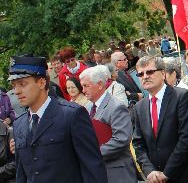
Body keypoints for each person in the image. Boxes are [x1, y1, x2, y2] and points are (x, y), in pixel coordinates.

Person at [10, 54, 107, 182]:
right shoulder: (19, 124)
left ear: (41, 82)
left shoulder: (72, 115)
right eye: (13, 85)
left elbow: (93, 168)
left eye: (22, 84)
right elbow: (21, 175)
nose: (16, 91)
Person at [132, 55, 188, 183]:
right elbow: (138, 143)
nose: (145, 76)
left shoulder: (183, 96)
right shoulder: (140, 107)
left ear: (162, 73)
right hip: (156, 178)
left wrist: (167, 173)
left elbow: (187, 138)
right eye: (140, 74)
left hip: (187, 175)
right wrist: (149, 171)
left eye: (150, 72)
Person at [80, 66, 137, 182]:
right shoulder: (88, 107)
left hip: (117, 172)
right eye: (82, 86)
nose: (83, 90)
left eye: (86, 86)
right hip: (98, 171)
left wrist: (93, 153)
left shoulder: (116, 107)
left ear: (100, 84)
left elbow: (122, 139)